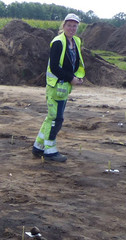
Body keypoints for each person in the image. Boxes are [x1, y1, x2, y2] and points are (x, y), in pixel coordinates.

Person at [32, 13, 86, 162]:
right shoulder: (58, 42)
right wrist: (71, 78)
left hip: (64, 86)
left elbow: (75, 62)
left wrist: (77, 77)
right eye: (69, 25)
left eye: (75, 26)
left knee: (52, 117)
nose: (72, 28)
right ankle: (49, 150)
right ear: (64, 26)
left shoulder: (76, 41)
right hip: (56, 86)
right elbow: (55, 67)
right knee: (56, 119)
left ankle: (38, 146)